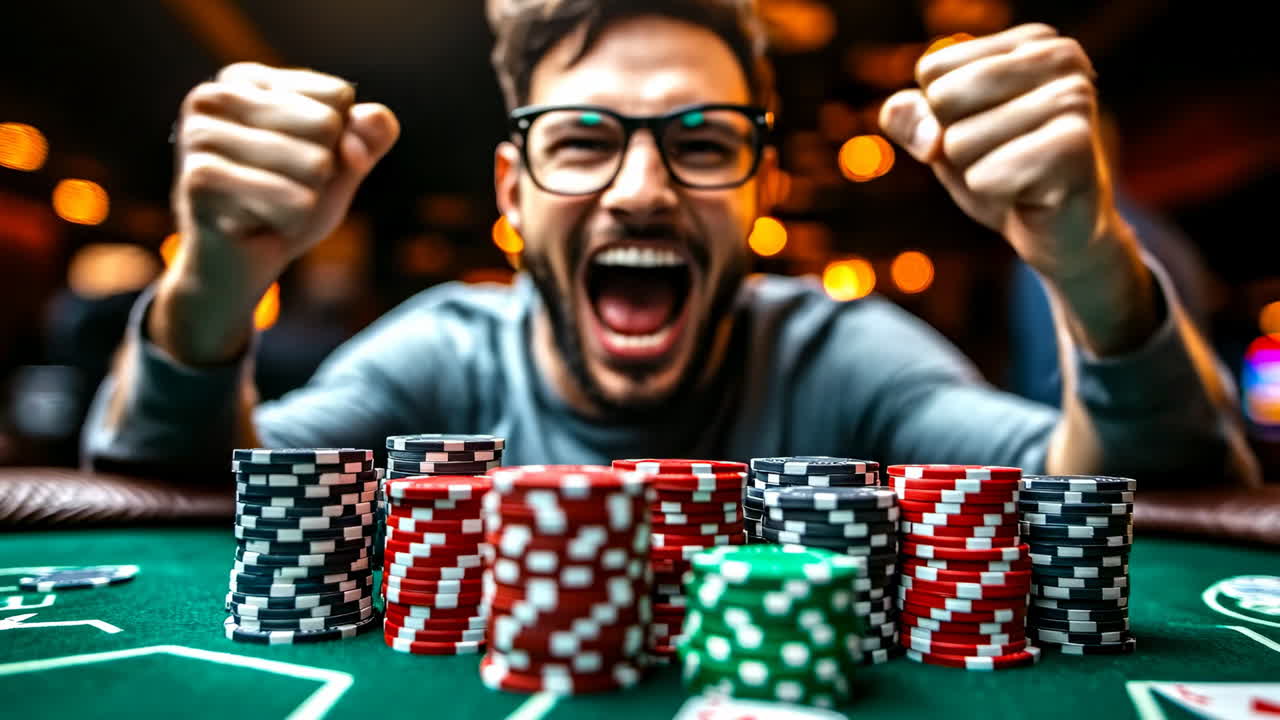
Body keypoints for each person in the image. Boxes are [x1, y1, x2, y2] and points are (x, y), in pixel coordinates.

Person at [82, 0, 1259, 485]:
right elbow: (183, 490)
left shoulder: (837, 357)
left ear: (757, 190)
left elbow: (1130, 497)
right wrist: (214, 286)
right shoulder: (440, 356)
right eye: (583, 139)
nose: (642, 188)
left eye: (701, 141)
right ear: (513, 191)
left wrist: (1085, 261)